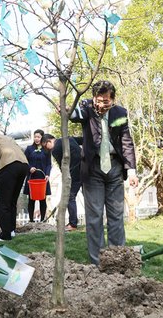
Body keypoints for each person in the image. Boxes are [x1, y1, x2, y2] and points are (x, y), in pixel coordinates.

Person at [70, 80, 138, 265]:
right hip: (93, 169)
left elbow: (126, 141)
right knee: (94, 216)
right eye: (98, 100)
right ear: (93, 98)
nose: (101, 105)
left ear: (112, 100)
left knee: (116, 215)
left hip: (115, 167)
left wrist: (131, 171)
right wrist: (68, 111)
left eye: (106, 101)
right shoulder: (87, 108)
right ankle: (97, 262)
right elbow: (76, 115)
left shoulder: (120, 113)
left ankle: (117, 259)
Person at [42, 134, 83, 231]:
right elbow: (83, 140)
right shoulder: (68, 138)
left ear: (49, 141)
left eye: (45, 146)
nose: (47, 149)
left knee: (70, 197)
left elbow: (62, 167)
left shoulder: (55, 149)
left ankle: (72, 224)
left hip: (74, 173)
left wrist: (65, 179)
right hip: (86, 167)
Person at [23, 129, 52, 222]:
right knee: (31, 199)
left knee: (42, 199)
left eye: (38, 137)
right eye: (35, 136)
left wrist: (47, 174)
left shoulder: (46, 150)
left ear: (42, 138)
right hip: (32, 177)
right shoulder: (29, 149)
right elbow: (24, 161)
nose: (36, 139)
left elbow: (49, 164)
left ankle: (42, 220)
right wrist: (29, 168)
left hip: (43, 177)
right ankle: (31, 220)